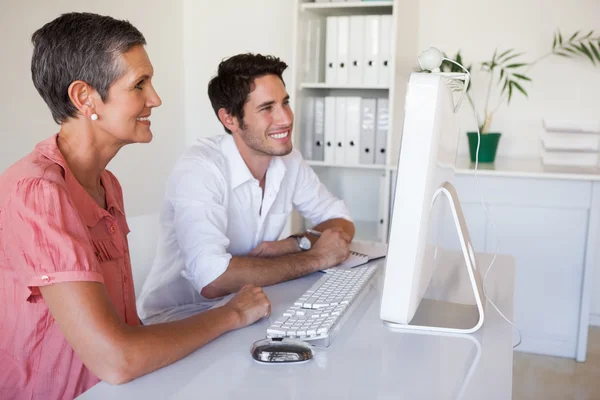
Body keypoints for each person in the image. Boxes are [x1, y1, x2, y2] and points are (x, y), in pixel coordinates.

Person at [0, 13, 270, 400]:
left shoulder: (107, 184)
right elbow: (116, 359)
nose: (155, 98)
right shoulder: (38, 192)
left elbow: (128, 334)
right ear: (84, 97)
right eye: (139, 85)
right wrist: (233, 314)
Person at [137, 53, 355, 324]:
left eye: (285, 103)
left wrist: (294, 243)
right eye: (267, 108)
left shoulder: (289, 160)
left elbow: (341, 221)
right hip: (180, 319)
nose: (285, 119)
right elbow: (213, 280)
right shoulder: (200, 168)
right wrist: (316, 258)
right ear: (230, 119)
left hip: (248, 307)